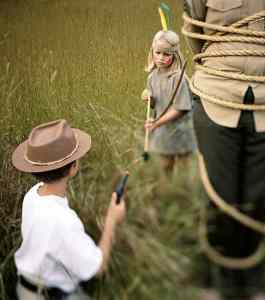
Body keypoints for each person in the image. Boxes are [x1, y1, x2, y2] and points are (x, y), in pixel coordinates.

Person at [182, 1, 265, 300]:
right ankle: (217, 284)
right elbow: (195, 27)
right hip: (217, 97)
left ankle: (250, 285)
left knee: (260, 201)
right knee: (220, 199)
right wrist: (225, 65)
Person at [12, 119, 126, 300]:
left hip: (24, 288)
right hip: (49, 295)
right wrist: (112, 220)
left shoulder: (32, 194)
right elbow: (98, 268)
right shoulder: (64, 221)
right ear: (74, 168)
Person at [142, 29, 197, 173]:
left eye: (166, 54)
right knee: (165, 166)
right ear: (152, 51)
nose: (160, 57)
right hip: (164, 131)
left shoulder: (178, 78)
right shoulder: (152, 77)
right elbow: (155, 105)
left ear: (175, 55)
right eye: (157, 52)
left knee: (184, 168)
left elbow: (181, 109)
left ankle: (183, 193)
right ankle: (166, 191)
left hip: (181, 131)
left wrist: (156, 123)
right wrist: (150, 99)